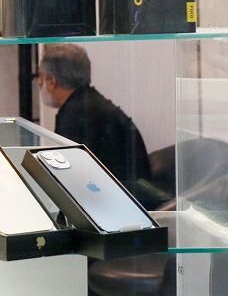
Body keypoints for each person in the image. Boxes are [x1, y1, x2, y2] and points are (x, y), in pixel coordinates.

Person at [37, 43, 151, 192]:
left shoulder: (75, 116)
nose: (38, 82)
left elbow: (70, 179)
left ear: (51, 82)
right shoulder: (90, 104)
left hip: (118, 198)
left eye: (40, 77)